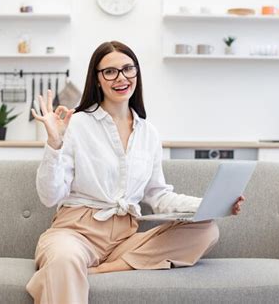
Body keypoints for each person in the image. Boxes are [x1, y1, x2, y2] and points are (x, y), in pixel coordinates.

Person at [26, 40, 245, 304]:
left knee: (207, 230)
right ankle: (71, 270)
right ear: (97, 80)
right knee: (64, 257)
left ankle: (98, 271)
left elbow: (159, 196)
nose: (121, 78)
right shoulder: (77, 124)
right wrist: (54, 143)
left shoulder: (148, 133)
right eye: (110, 71)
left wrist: (212, 205)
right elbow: (50, 197)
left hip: (124, 239)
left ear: (136, 73)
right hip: (76, 234)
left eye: (128, 69)